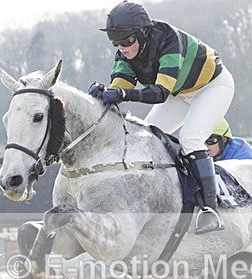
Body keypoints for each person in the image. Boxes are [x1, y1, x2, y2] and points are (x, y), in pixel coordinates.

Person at [88, 1, 235, 234]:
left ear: (143, 33)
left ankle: (210, 209)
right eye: (116, 42)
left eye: (126, 41)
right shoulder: (125, 53)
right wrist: (104, 94)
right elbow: (121, 84)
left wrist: (123, 94)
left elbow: (159, 93)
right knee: (148, 137)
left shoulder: (168, 40)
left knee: (190, 139)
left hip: (212, 87)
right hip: (181, 92)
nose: (122, 47)